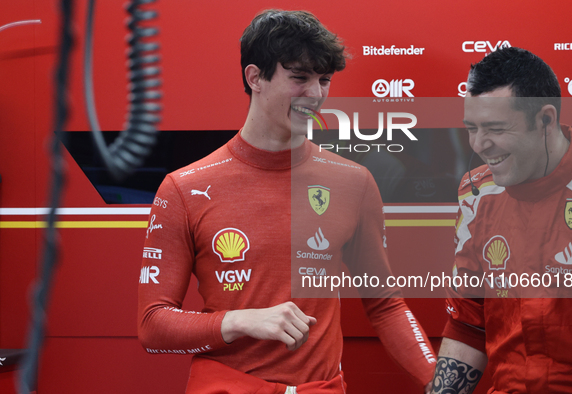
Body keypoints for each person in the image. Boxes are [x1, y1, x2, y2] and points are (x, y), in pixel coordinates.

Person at [138, 9, 436, 394]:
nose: (315, 94)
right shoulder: (183, 188)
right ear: (255, 77)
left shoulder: (353, 181)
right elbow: (152, 325)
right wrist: (240, 321)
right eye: (299, 78)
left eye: (323, 80)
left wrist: (442, 384)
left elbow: (385, 305)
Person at [431, 47, 572, 393]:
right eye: (471, 128)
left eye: (496, 128)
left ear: (545, 119)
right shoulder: (476, 192)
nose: (479, 144)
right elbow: (468, 322)